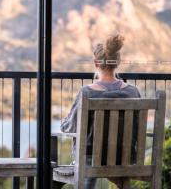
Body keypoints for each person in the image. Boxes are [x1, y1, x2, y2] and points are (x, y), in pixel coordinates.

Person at [60, 34, 141, 188]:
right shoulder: (133, 92)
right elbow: (136, 129)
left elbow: (69, 127)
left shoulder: (87, 92)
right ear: (118, 62)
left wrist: (64, 124)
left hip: (91, 160)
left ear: (96, 62)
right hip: (124, 159)